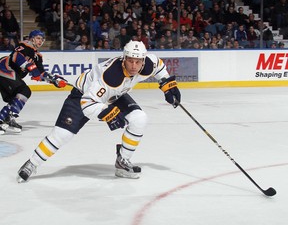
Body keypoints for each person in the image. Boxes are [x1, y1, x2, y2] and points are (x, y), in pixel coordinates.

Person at [17, 40, 181, 182]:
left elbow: (159, 66)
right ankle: (32, 163)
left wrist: (168, 86)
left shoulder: (147, 64)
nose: (134, 66)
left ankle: (123, 162)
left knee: (139, 119)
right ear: (124, 59)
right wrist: (109, 114)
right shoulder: (110, 76)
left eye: (138, 62)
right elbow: (87, 104)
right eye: (130, 61)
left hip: (113, 95)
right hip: (82, 97)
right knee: (62, 135)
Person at [0, 30, 67, 134]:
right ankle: (7, 117)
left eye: (42, 39)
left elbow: (40, 74)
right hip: (4, 68)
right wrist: (30, 67)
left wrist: (54, 80)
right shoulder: (24, 45)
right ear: (32, 38)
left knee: (18, 96)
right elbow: (15, 57)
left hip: (11, 75)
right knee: (25, 90)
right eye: (38, 38)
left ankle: (5, 118)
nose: (40, 41)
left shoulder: (38, 56)